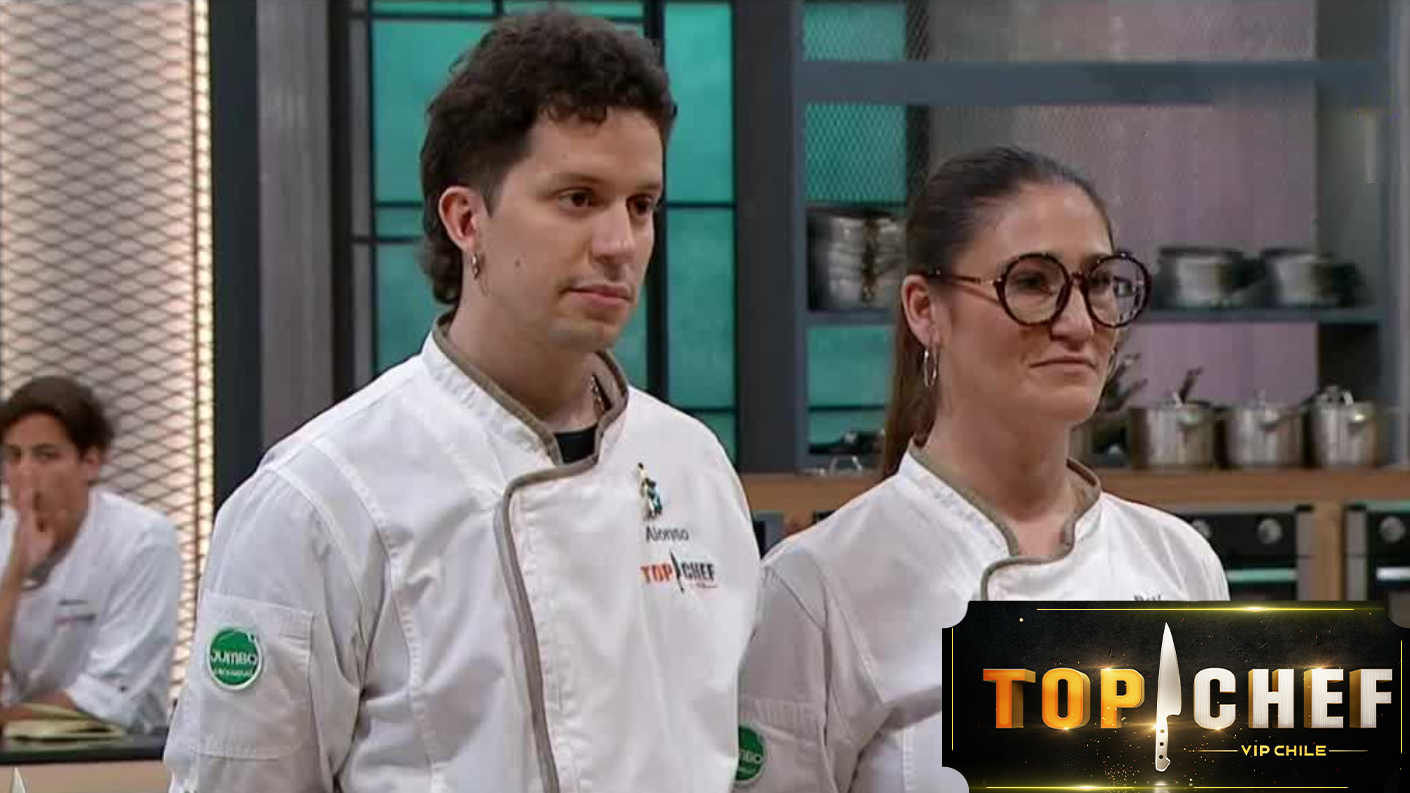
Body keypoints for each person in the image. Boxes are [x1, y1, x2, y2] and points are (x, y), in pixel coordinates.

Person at [165, 10, 759, 792]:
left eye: (641, 205)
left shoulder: (692, 466)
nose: (620, 243)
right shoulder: (322, 498)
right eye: (579, 198)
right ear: (467, 219)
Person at [733, 146, 1229, 793]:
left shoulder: (1179, 562)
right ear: (925, 310)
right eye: (1032, 283)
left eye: (1100, 283)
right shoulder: (817, 589)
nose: (1078, 323)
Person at [0, 375, 181, 734]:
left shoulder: (143, 539)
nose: (25, 474)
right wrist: (15, 573)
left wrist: (7, 719)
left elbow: (108, 699)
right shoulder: (4, 537)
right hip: (18, 746)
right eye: (14, 456)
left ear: (91, 463)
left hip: (121, 748)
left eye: (46, 456)